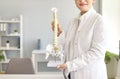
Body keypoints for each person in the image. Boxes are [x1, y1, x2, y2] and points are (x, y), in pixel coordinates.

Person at [51, 0, 108, 79]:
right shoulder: (73, 22)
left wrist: (70, 65)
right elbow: (68, 46)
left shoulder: (99, 20)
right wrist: (59, 32)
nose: (82, 0)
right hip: (73, 75)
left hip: (91, 75)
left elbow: (97, 52)